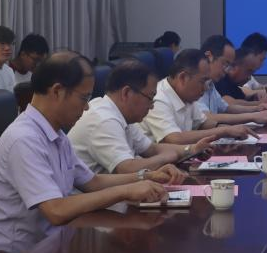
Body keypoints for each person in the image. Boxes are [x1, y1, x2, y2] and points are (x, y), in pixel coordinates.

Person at [0, 52, 172, 253]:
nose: (87, 107)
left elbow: (92, 182)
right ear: (57, 91)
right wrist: (125, 191)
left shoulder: (56, 135)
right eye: (84, 98)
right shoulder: (23, 139)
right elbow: (56, 210)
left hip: (48, 251)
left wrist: (146, 177)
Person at [69, 60, 207, 179]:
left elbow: (151, 149)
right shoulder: (103, 120)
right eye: (150, 98)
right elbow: (127, 168)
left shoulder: (121, 114)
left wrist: (191, 149)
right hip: (92, 200)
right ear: (126, 93)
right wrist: (166, 157)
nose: (152, 106)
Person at [141, 49, 251, 145]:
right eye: (202, 81)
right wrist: (223, 131)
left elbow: (202, 123)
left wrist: (227, 128)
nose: (205, 88)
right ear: (183, 78)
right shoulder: (158, 99)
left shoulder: (186, 95)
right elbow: (174, 139)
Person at [197, 34, 267, 124]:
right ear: (209, 57)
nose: (226, 70)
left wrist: (257, 108)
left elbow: (226, 107)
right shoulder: (196, 83)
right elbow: (205, 117)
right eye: (224, 63)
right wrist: (252, 116)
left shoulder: (210, 84)